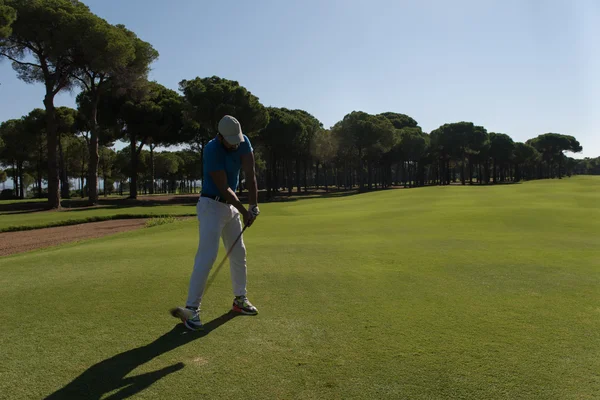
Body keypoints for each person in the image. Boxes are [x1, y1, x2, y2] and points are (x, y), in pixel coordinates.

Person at [171, 115, 260, 331]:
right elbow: (224, 188)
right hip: (211, 205)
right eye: (231, 140)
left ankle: (240, 300)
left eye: (237, 139)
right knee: (207, 256)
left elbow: (250, 174)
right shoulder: (211, 149)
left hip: (231, 206)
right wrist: (243, 210)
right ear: (220, 137)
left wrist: (253, 207)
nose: (235, 143)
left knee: (239, 253)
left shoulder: (243, 142)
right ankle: (191, 310)